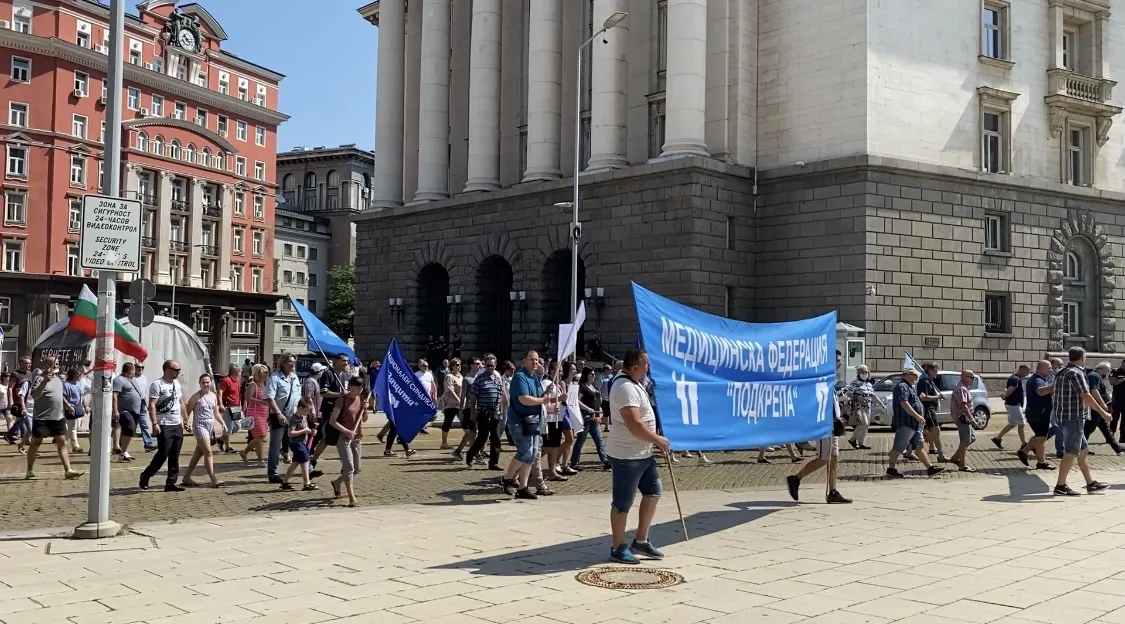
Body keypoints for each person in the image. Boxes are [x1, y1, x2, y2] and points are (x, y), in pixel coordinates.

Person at [606, 348, 669, 565]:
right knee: (623, 502)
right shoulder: (624, 387)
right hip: (627, 455)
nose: (648, 368)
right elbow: (634, 424)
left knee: (653, 492)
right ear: (635, 367)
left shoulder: (634, 383)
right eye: (646, 365)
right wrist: (657, 439)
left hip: (643, 453)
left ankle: (641, 539)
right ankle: (617, 546)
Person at [787, 349, 851, 504]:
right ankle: (795, 479)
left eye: (840, 360)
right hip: (824, 426)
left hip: (833, 425)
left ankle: (833, 491)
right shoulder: (821, 379)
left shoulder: (831, 379)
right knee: (824, 458)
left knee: (834, 458)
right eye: (837, 360)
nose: (839, 363)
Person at [1051, 347, 1110, 496]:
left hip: (1064, 416)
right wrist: (1103, 413)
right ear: (1083, 358)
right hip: (1074, 418)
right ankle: (1060, 486)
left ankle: (1090, 483)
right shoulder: (1077, 373)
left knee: (1083, 451)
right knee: (1070, 452)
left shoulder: (1061, 373)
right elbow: (1086, 395)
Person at [25, 357, 84, 481]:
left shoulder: (58, 379)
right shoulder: (40, 378)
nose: (54, 365)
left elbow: (59, 395)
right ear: (45, 364)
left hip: (58, 417)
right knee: (36, 442)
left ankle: (68, 470)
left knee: (62, 441)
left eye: (56, 363)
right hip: (42, 417)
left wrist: (67, 405)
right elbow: (35, 395)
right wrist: (44, 382)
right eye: (51, 363)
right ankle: (29, 470)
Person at [501, 350, 549, 499]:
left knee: (533, 455)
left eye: (537, 360)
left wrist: (547, 394)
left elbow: (539, 397)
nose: (535, 362)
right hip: (519, 421)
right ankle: (507, 478)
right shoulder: (520, 377)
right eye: (532, 359)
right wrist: (542, 401)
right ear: (524, 361)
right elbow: (524, 399)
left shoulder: (534, 377)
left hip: (532, 421)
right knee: (526, 452)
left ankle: (523, 488)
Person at [886, 367, 945, 478]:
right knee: (898, 446)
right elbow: (904, 403)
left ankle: (930, 468)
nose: (916, 378)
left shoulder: (909, 386)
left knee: (919, 446)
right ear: (908, 375)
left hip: (915, 424)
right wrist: (917, 415)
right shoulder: (902, 386)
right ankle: (891, 468)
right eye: (915, 376)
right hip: (906, 423)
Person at [139, 360, 188, 491]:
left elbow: (181, 402)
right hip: (164, 424)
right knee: (163, 454)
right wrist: (155, 423)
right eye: (176, 370)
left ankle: (171, 483)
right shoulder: (157, 385)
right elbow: (152, 405)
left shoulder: (176, 384)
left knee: (175, 455)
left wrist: (186, 420)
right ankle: (146, 475)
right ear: (167, 369)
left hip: (177, 424)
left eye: (179, 370)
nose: (178, 372)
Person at [180, 374, 225, 488]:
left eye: (207, 382)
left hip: (210, 427)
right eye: (203, 382)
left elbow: (215, 413)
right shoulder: (196, 397)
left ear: (211, 383)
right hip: (200, 426)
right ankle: (213, 478)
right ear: (199, 384)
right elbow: (188, 411)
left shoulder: (213, 396)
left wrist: (222, 423)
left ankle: (186, 478)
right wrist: (186, 423)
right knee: (208, 452)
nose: (206, 384)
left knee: (197, 454)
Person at [311, 353, 352, 474]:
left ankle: (346, 463)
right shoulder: (328, 374)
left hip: (342, 411)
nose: (346, 363)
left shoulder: (345, 375)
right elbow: (323, 393)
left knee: (343, 438)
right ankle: (313, 460)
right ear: (336, 361)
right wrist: (339, 395)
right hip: (329, 411)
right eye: (344, 361)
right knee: (327, 438)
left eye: (347, 361)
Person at [329, 377, 367, 507]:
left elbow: (365, 419)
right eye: (356, 388)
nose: (359, 391)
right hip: (343, 437)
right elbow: (332, 421)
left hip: (357, 437)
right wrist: (346, 431)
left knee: (356, 468)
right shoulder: (342, 400)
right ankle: (352, 498)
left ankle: (337, 482)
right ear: (350, 387)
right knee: (349, 467)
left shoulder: (360, 399)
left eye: (360, 389)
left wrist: (365, 408)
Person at [265, 355, 301, 484]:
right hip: (279, 415)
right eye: (289, 362)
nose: (292, 364)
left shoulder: (295, 377)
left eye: (294, 362)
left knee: (298, 442)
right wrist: (279, 413)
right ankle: (273, 473)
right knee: (275, 445)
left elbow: (298, 396)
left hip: (294, 415)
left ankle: (307, 468)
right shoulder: (275, 378)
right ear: (283, 363)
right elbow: (269, 398)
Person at [466, 355, 504, 469]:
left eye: (492, 365)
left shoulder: (498, 379)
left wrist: (500, 409)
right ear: (485, 366)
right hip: (483, 412)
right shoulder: (480, 379)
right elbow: (473, 396)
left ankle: (494, 463)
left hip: (495, 412)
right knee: (482, 437)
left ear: (495, 365)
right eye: (488, 366)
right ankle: (470, 454)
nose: (490, 368)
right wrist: (473, 411)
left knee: (496, 437)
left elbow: (500, 395)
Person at [1018, 360, 1056, 470]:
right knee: (1041, 438)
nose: (1051, 369)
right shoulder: (1037, 379)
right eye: (1048, 368)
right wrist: (1054, 385)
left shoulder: (1040, 379)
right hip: (1038, 414)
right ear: (1039, 369)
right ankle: (1041, 462)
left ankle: (1024, 452)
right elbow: (1040, 391)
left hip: (1038, 413)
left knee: (1040, 436)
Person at [570, 367, 609, 471]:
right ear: (586, 375)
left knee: (599, 440)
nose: (594, 376)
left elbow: (597, 402)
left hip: (594, 418)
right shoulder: (582, 387)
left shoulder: (592, 386)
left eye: (594, 374)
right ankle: (574, 462)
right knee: (580, 441)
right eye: (591, 374)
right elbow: (577, 400)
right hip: (585, 418)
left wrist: (598, 413)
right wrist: (587, 408)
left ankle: (605, 461)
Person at [1084, 362, 1123, 454]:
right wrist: (1103, 404)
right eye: (1108, 370)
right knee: (1089, 428)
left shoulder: (1095, 375)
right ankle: (1081, 448)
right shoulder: (1095, 376)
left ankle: (1116, 447)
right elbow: (1094, 390)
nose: (1108, 373)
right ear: (1104, 369)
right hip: (1096, 408)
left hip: (1097, 408)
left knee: (1105, 428)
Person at [281, 397, 317, 491]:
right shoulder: (294, 418)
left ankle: (284, 482)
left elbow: (305, 429)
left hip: (302, 443)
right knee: (305, 461)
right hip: (296, 443)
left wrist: (311, 431)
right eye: (306, 411)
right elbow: (290, 433)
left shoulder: (303, 417)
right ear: (300, 408)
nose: (308, 413)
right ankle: (307, 483)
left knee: (295, 463)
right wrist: (305, 431)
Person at [992, 364, 1030, 450]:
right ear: (1022, 370)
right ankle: (1024, 444)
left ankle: (998, 438)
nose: (1027, 374)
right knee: (1022, 423)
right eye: (1027, 372)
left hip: (1013, 404)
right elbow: (1011, 389)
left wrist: (1005, 395)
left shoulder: (1015, 378)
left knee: (1012, 424)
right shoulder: (1015, 378)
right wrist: (1005, 396)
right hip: (1014, 405)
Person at [111, 362, 143, 462]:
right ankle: (123, 451)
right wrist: (115, 410)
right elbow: (114, 395)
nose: (136, 371)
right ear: (130, 370)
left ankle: (123, 452)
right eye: (134, 369)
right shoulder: (119, 380)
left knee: (129, 431)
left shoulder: (131, 379)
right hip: (124, 410)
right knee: (130, 428)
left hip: (135, 410)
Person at [239, 364, 270, 466]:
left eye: (267, 372)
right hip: (254, 413)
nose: (266, 374)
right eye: (264, 373)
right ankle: (260, 460)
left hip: (263, 413)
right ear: (258, 374)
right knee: (260, 435)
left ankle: (245, 452)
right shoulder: (253, 385)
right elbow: (247, 398)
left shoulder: (265, 385)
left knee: (260, 436)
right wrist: (261, 402)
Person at [948, 370, 978, 472]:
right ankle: (962, 465)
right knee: (965, 440)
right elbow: (963, 405)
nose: (973, 379)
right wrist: (971, 418)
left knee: (972, 438)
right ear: (965, 377)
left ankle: (955, 457)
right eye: (971, 377)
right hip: (962, 418)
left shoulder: (964, 388)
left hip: (964, 417)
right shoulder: (961, 389)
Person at [917, 363, 947, 462]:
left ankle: (932, 447)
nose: (936, 373)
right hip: (928, 410)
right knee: (936, 431)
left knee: (931, 432)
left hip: (931, 409)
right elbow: (923, 397)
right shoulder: (924, 381)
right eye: (935, 371)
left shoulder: (929, 381)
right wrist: (937, 397)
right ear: (929, 370)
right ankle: (941, 455)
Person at [846, 365, 880, 450]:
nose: (864, 374)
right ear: (858, 373)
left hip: (868, 406)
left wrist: (881, 403)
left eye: (866, 372)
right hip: (858, 406)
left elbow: (873, 395)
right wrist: (858, 398)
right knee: (863, 423)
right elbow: (849, 393)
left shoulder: (869, 384)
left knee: (866, 425)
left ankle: (861, 442)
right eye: (862, 372)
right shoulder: (855, 382)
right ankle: (853, 439)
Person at [218, 364, 242, 454]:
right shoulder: (226, 380)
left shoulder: (237, 381)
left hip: (236, 407)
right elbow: (220, 392)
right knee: (228, 428)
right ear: (235, 371)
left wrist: (240, 405)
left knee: (237, 426)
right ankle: (228, 448)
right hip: (228, 407)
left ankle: (220, 440)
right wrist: (220, 404)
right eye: (239, 371)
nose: (240, 373)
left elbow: (238, 394)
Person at [440, 358, 464, 451]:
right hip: (450, 403)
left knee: (464, 421)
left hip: (459, 404)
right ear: (452, 366)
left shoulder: (461, 376)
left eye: (460, 364)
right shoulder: (449, 376)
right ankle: (444, 442)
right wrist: (458, 399)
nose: (459, 366)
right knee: (448, 422)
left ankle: (471, 442)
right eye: (457, 365)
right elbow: (450, 389)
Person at [62, 367, 85, 455]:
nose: (79, 376)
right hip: (70, 407)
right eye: (77, 374)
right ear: (73, 375)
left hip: (78, 407)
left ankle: (62, 442)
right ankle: (75, 446)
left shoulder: (78, 384)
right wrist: (68, 406)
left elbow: (81, 396)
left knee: (75, 427)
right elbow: (63, 397)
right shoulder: (66, 385)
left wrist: (84, 405)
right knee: (72, 427)